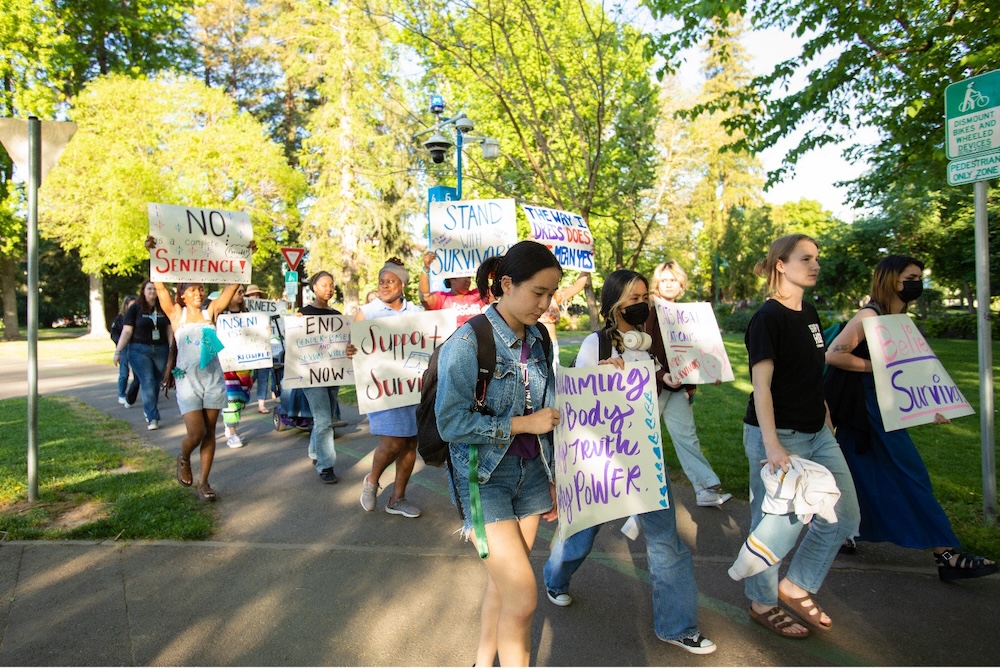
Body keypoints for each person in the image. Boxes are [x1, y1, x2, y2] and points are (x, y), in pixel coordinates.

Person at [543, 269, 717, 655]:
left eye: (645, 297)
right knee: (580, 534)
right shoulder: (596, 344)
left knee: (667, 543)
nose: (642, 304)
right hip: (603, 459)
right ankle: (555, 580)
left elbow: (658, 385)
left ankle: (678, 626)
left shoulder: (652, 343)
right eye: (634, 298)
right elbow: (573, 393)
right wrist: (599, 375)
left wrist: (684, 377)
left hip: (645, 460)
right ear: (614, 304)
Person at [825, 255, 997, 582]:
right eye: (911, 277)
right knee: (909, 474)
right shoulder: (869, 315)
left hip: (880, 409)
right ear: (891, 279)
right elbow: (834, 354)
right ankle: (946, 553)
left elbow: (910, 368)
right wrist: (881, 369)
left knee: (857, 474)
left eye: (919, 277)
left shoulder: (898, 317)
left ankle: (844, 529)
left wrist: (932, 406)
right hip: (866, 412)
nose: (916, 283)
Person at [435, 240, 563, 666]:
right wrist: (521, 424)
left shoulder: (540, 337)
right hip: (483, 479)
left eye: (551, 293)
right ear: (506, 284)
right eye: (537, 293)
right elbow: (450, 424)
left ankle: (481, 661)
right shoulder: (468, 342)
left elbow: (552, 404)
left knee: (504, 587)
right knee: (524, 598)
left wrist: (553, 475)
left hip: (531, 477)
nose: (545, 304)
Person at [741, 234, 860, 639]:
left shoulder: (808, 310)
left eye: (816, 259)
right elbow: (762, 388)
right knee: (774, 526)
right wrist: (773, 445)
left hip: (817, 431)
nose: (815, 265)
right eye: (806, 258)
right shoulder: (767, 318)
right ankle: (762, 602)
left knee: (845, 515)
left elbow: (811, 372)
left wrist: (825, 413)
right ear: (781, 264)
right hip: (778, 435)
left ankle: (796, 586)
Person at [146, 235, 253, 502]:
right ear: (182, 294)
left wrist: (246, 256)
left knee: (210, 432)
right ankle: (183, 457)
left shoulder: (212, 312)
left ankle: (204, 483)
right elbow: (160, 289)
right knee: (196, 432)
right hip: (187, 381)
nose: (198, 293)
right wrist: (153, 254)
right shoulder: (175, 314)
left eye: (201, 289)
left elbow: (232, 284)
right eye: (192, 290)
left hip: (213, 380)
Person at [646, 260, 732, 506]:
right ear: (657, 284)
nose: (669, 284)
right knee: (644, 440)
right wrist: (662, 375)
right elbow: (643, 352)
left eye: (673, 280)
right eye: (664, 280)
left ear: (681, 284)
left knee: (688, 438)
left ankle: (704, 488)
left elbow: (698, 350)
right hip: (653, 388)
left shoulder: (690, 315)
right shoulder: (650, 312)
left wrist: (710, 372)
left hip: (680, 389)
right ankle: (633, 496)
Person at [350, 258, 424, 517]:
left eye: (390, 281)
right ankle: (372, 480)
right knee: (393, 443)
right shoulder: (368, 312)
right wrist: (351, 348)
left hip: (412, 388)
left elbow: (429, 340)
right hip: (384, 389)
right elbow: (354, 344)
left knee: (410, 444)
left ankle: (397, 499)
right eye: (381, 281)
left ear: (402, 285)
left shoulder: (415, 312)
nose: (384, 285)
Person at [300, 271, 347, 484]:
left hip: (332, 372)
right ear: (314, 288)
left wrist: (350, 348)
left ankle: (314, 452)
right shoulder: (302, 314)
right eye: (324, 285)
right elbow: (295, 344)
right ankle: (326, 466)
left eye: (332, 285)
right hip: (311, 375)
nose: (329, 289)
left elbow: (343, 345)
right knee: (324, 420)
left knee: (325, 418)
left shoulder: (338, 316)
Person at [112, 281, 173, 430]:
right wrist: (118, 351)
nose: (152, 292)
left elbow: (169, 329)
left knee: (157, 381)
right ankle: (152, 416)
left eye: (155, 289)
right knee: (147, 381)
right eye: (149, 289)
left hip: (160, 349)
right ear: (143, 291)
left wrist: (172, 348)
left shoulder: (163, 308)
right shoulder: (135, 309)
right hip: (139, 349)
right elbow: (127, 331)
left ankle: (150, 408)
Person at [218, 285, 254, 449]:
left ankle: (229, 423)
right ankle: (232, 433)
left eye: (242, 292)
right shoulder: (218, 316)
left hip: (245, 365)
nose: (241, 295)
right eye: (238, 292)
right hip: (226, 365)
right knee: (231, 399)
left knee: (240, 399)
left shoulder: (247, 316)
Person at [418, 250, 489, 325]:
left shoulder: (478, 295)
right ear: (452, 278)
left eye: (469, 277)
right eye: (465, 277)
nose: (468, 281)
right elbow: (424, 297)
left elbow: (497, 291)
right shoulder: (442, 299)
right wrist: (426, 269)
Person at [244, 284, 275, 414]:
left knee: (263, 376)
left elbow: (270, 330)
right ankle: (242, 398)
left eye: (256, 295)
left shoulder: (265, 314)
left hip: (263, 348)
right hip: (247, 350)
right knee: (249, 377)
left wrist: (269, 330)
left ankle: (261, 404)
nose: (254, 297)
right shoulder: (243, 313)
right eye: (252, 295)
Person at [111, 294, 140, 407]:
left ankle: (132, 395)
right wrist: (120, 345)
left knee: (138, 374)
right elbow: (114, 333)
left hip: (136, 347)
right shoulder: (120, 318)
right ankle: (121, 394)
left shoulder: (140, 317)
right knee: (124, 373)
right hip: (124, 348)